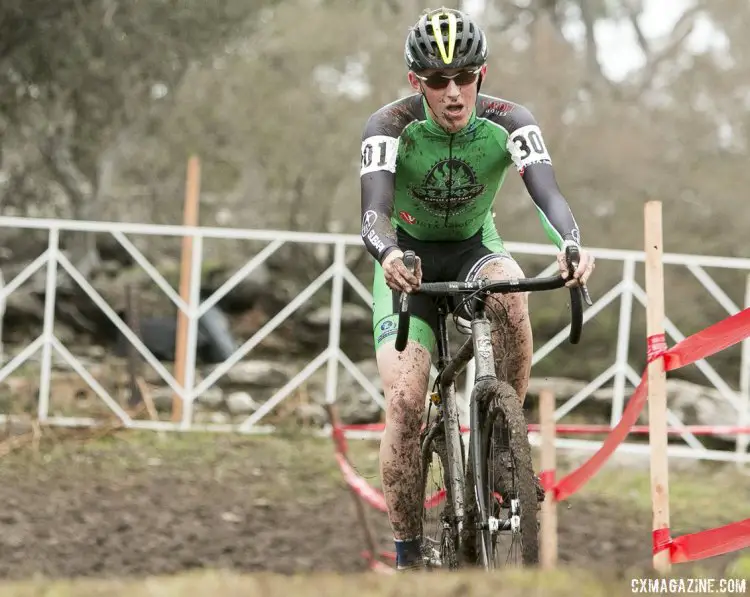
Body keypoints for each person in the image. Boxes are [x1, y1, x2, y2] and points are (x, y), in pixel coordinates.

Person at [359, 7, 595, 571]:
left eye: (465, 76)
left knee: (510, 291)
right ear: (417, 82)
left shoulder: (510, 120)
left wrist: (571, 243)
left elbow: (548, 194)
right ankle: (408, 555)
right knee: (406, 403)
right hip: (407, 261)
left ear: (481, 74)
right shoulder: (389, 126)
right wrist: (389, 254)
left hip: (472, 248)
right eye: (438, 81)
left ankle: (503, 445)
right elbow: (373, 215)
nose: (454, 92)